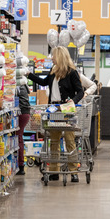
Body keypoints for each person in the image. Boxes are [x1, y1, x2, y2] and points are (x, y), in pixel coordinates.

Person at [27, 47, 84, 183]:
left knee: (70, 140)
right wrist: (28, 74)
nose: (51, 58)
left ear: (60, 57)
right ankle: (53, 171)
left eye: (53, 56)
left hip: (66, 109)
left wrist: (73, 100)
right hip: (53, 108)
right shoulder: (53, 71)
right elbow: (43, 82)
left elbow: (80, 91)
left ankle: (73, 171)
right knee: (54, 141)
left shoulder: (72, 72)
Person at [16, 83, 31, 176]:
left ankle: (20, 166)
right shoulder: (23, 84)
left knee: (18, 138)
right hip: (25, 112)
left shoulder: (16, 84)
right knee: (19, 137)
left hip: (21, 112)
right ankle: (19, 164)